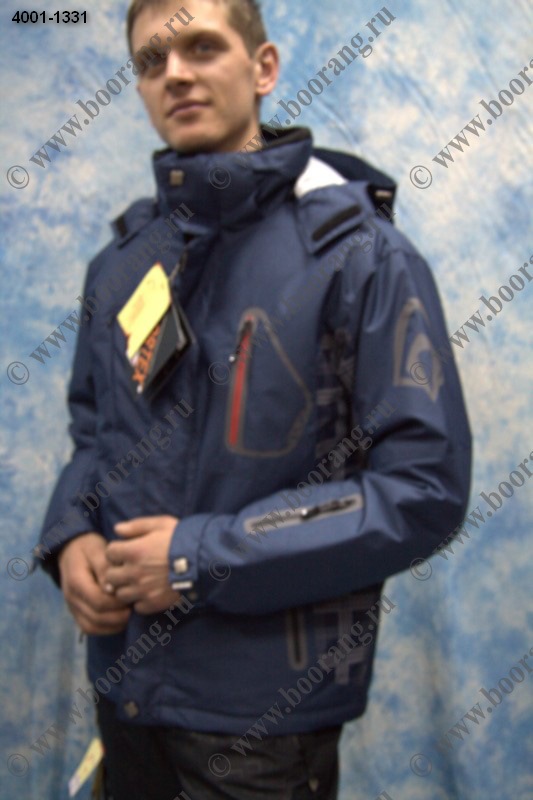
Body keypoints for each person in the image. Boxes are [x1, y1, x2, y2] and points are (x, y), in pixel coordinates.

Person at [36, 1, 472, 798]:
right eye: (151, 61)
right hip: (126, 697)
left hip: (260, 727)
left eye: (201, 47)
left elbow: (420, 490)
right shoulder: (123, 264)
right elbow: (94, 436)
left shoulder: (360, 257)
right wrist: (71, 537)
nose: (175, 74)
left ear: (262, 67)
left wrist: (198, 558)